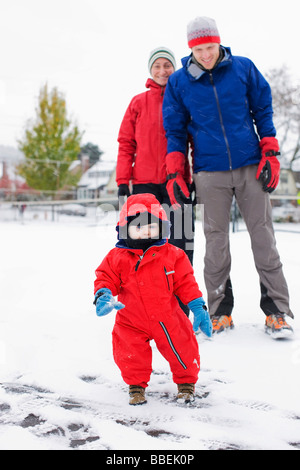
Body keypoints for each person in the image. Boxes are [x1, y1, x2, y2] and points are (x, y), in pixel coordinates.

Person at [162, 16, 294, 338]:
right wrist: (175, 172)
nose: (206, 54)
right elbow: (175, 132)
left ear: (219, 42)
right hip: (209, 171)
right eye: (198, 49)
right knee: (215, 241)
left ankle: (277, 312)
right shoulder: (179, 83)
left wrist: (271, 152)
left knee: (263, 238)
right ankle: (219, 311)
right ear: (190, 49)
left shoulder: (243, 68)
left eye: (210, 46)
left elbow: (263, 110)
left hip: (250, 165)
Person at [93, 193, 212, 405]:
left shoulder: (173, 254)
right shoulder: (116, 257)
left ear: (162, 227)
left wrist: (197, 305)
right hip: (131, 319)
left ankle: (186, 383)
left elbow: (186, 282)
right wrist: (104, 295)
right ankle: (136, 386)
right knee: (130, 354)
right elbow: (105, 277)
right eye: (138, 226)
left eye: (151, 226)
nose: (146, 231)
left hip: (168, 317)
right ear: (125, 228)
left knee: (183, 348)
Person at [116, 47, 194, 270]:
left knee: (181, 242)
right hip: (144, 186)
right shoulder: (137, 103)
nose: (163, 70)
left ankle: (181, 303)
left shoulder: (184, 100)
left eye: (167, 65)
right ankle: (146, 300)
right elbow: (126, 144)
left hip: (177, 183)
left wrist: (194, 178)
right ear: (151, 70)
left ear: (174, 68)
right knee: (142, 244)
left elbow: (196, 141)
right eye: (157, 66)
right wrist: (123, 181)